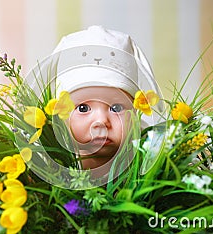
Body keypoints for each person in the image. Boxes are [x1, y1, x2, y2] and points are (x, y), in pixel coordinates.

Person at [51, 25, 163, 171]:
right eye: (83, 108)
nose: (101, 121)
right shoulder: (47, 162)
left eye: (116, 108)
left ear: (136, 112)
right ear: (60, 115)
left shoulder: (153, 155)